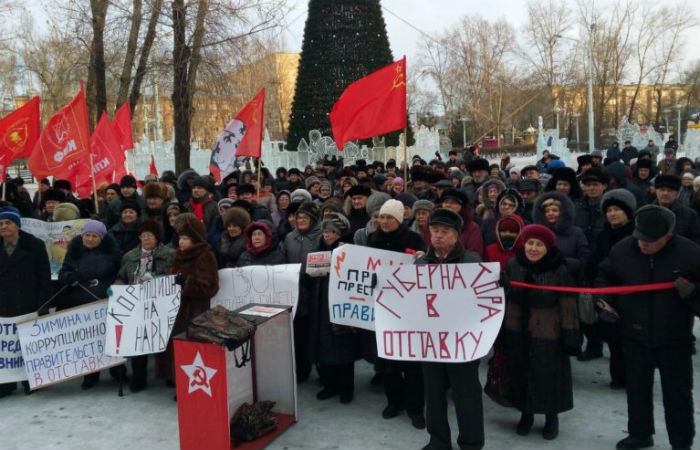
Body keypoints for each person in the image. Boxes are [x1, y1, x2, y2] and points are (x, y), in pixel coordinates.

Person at [595, 205, 699, 450]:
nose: (643, 244)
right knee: (637, 389)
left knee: (678, 396)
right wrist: (606, 304)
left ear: (668, 236)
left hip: (674, 339)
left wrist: (693, 294)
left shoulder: (691, 254)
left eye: (651, 241)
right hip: (634, 334)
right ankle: (640, 434)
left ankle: (681, 442)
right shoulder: (622, 251)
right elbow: (605, 278)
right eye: (639, 237)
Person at [501, 224, 581, 441]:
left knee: (548, 375)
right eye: (530, 243)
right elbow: (502, 299)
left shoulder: (559, 269)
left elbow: (567, 303)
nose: (533, 248)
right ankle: (526, 414)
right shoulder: (513, 265)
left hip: (548, 331)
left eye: (539, 244)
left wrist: (571, 336)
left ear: (547, 248)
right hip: (517, 328)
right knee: (521, 371)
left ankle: (551, 417)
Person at [418, 208, 485, 450]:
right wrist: (382, 285)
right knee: (433, 394)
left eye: (444, 232)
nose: (437, 236)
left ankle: (471, 442)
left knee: (466, 394)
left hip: (462, 341)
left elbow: (488, 300)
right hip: (431, 341)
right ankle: (438, 440)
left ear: (456, 236)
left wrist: (501, 284)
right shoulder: (421, 263)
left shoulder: (472, 261)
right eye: (434, 231)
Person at [367, 199, 426, 429]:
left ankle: (416, 409)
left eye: (389, 217)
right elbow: (366, 266)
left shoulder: (413, 240)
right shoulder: (373, 240)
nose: (384, 221)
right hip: (383, 309)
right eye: (381, 217)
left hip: (409, 310)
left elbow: (425, 269)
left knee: (412, 365)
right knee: (387, 362)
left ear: (399, 219)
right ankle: (394, 402)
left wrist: (421, 260)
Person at [58, 220, 123, 389]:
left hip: (106, 301)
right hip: (82, 302)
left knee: (110, 338)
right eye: (87, 235)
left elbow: (120, 273)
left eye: (95, 236)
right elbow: (63, 272)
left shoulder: (112, 252)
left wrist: (115, 287)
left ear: (102, 238)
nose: (90, 239)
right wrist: (69, 277)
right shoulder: (74, 251)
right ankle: (90, 374)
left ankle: (117, 370)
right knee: (88, 341)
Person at [114, 220, 174, 392]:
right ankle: (139, 378)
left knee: (163, 339)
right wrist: (117, 290)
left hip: (160, 303)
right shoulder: (129, 256)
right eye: (143, 235)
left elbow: (174, 276)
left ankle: (169, 374)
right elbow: (121, 277)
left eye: (150, 235)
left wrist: (157, 279)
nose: (146, 238)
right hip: (136, 304)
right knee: (139, 340)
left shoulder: (170, 254)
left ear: (157, 238)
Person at [585, 189, 636, 390]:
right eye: (609, 210)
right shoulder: (604, 234)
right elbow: (597, 259)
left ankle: (633, 377)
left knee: (630, 339)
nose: (613, 214)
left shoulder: (635, 234)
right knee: (614, 336)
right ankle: (619, 376)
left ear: (628, 212)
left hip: (630, 291)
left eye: (617, 210)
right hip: (606, 289)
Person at [0, 205, 50, 397]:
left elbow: (43, 277)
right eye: (1, 223)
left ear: (18, 225)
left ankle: (32, 379)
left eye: (8, 223)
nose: (3, 226)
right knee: (6, 347)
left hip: (27, 302)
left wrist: (43, 305)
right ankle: (6, 382)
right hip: (3, 305)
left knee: (27, 344)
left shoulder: (35, 245)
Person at [307, 212, 357, 404]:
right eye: (325, 231)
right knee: (324, 348)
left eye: (332, 232)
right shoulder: (317, 249)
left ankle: (346, 388)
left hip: (342, 307)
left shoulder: (350, 250)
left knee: (344, 350)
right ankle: (329, 385)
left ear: (341, 233)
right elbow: (307, 276)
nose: (327, 235)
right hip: (320, 307)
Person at [162, 214, 219, 383]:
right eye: (180, 237)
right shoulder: (178, 255)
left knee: (191, 349)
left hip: (194, 311)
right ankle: (175, 377)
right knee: (177, 346)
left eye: (185, 238)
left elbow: (210, 286)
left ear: (195, 238)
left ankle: (191, 382)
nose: (181, 242)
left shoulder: (205, 256)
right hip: (176, 309)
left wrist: (187, 283)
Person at [284, 201, 322, 383]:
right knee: (299, 334)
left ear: (313, 220)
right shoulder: (290, 237)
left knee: (316, 333)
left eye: (305, 218)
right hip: (295, 292)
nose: (300, 221)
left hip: (315, 291)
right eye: (298, 217)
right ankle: (301, 369)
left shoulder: (321, 236)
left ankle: (322, 370)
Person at [533, 191, 590, 279]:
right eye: (547, 211)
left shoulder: (576, 233)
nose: (550, 213)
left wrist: (565, 263)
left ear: (563, 212)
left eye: (555, 210)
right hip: (541, 281)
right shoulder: (537, 232)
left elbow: (584, 259)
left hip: (568, 281)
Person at [652, 175, 700, 244]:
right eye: (662, 189)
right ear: (656, 191)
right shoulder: (645, 212)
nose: (665, 193)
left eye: (670, 190)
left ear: (677, 193)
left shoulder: (690, 215)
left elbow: (696, 242)